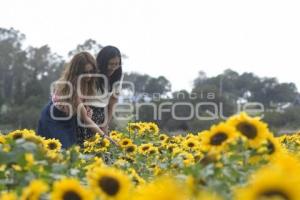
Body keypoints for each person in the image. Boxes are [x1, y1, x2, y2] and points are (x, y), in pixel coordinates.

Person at [37, 52, 116, 148]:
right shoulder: (71, 86)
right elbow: (86, 119)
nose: (89, 76)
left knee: (72, 149)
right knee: (60, 148)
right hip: (54, 118)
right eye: (85, 72)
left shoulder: (87, 82)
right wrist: (105, 137)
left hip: (70, 118)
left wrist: (87, 108)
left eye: (91, 71)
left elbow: (83, 103)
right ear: (76, 72)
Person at [76, 46, 123, 146]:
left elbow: (112, 104)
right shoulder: (92, 74)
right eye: (110, 64)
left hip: (102, 115)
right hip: (86, 113)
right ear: (103, 62)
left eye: (116, 64)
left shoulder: (117, 77)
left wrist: (105, 124)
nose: (113, 67)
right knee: (85, 148)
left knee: (102, 149)